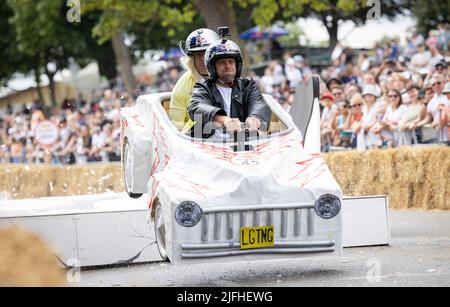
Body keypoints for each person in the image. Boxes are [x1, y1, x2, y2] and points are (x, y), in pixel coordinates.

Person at [188, 37, 272, 139]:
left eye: (231, 62)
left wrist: (254, 118)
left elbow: (259, 104)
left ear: (237, 65)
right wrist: (225, 120)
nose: (228, 66)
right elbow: (196, 107)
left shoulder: (248, 86)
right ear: (212, 67)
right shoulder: (203, 87)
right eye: (222, 62)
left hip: (242, 144)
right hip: (208, 146)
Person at [169, 28, 220, 132]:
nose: (202, 58)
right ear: (192, 59)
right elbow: (176, 127)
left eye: (206, 52)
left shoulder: (228, 76)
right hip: (194, 137)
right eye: (198, 54)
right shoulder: (182, 86)